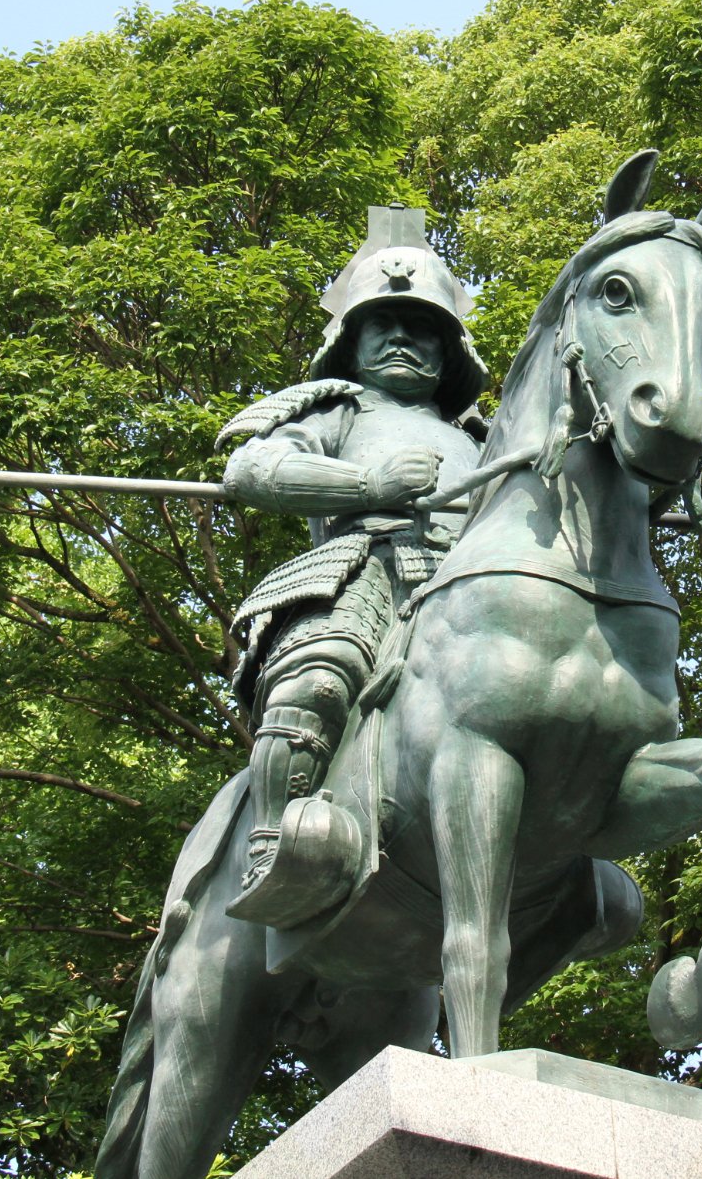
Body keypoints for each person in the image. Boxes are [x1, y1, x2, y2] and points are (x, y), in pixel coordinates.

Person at [215, 205, 486, 925]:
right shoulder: (337, 408)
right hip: (365, 568)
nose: (403, 336)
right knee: (322, 669)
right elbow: (256, 467)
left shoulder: (487, 438)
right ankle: (275, 842)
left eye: (424, 327)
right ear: (352, 339)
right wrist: (368, 487)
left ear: (448, 353)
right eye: (383, 324)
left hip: (472, 593)